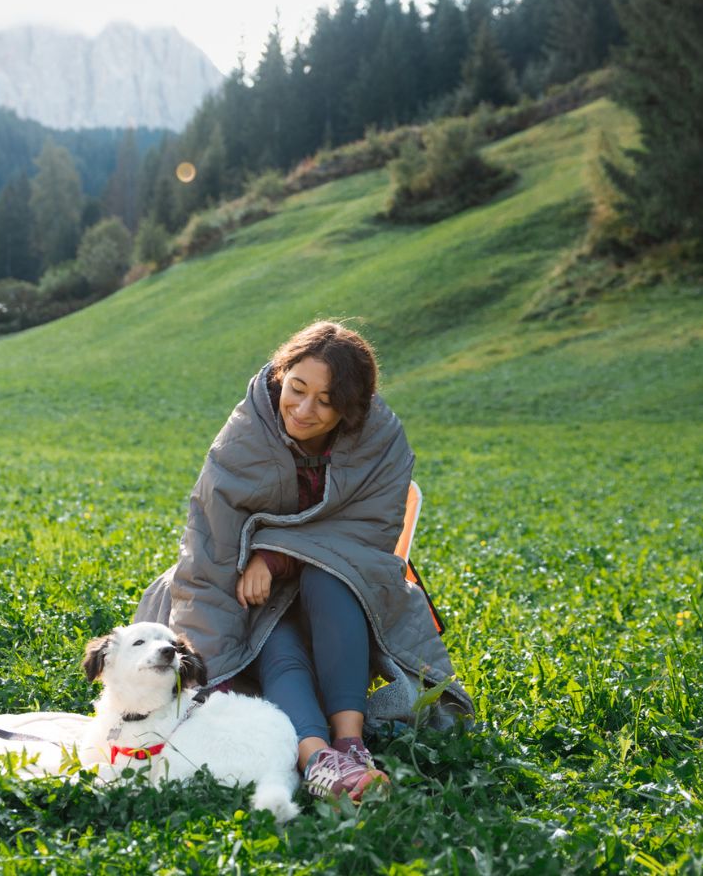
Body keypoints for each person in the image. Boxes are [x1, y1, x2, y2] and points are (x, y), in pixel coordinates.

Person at [135, 321, 473, 801]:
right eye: (296, 389)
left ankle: (350, 744)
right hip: (239, 587)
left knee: (330, 575)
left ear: (350, 409)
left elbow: (365, 538)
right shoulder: (245, 437)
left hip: (337, 585)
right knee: (274, 629)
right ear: (281, 376)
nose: (303, 409)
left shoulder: (382, 441)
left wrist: (274, 558)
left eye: (326, 400)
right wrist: (217, 678)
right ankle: (320, 760)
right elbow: (211, 550)